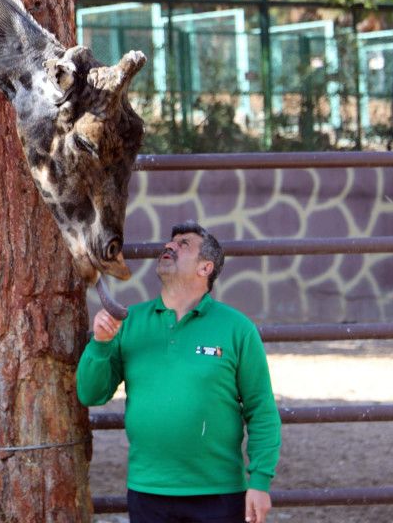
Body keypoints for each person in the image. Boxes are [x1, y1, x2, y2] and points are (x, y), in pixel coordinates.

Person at [77, 221, 281, 523]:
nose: (169, 246)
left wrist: (260, 482)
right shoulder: (129, 322)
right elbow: (90, 393)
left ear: (205, 268)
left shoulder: (237, 329)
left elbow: (261, 410)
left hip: (220, 494)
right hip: (149, 492)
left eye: (183, 244)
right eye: (170, 242)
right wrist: (100, 344)